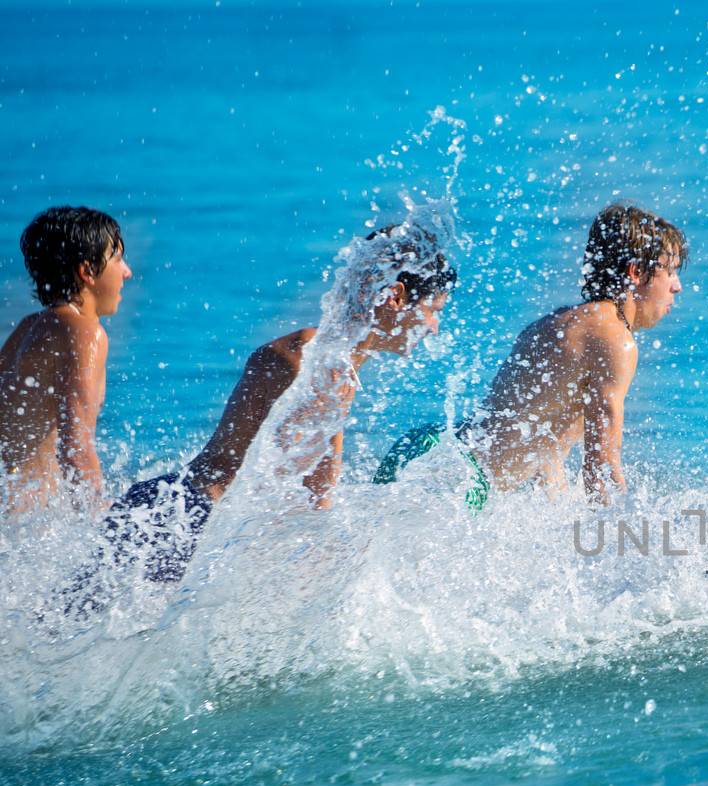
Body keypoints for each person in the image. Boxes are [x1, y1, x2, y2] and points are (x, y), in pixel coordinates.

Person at [96, 226, 454, 586]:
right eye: (432, 310)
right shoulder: (310, 359)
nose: (434, 328)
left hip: (182, 514)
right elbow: (294, 487)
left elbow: (313, 492)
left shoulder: (335, 364)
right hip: (179, 519)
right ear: (395, 296)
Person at [375, 202, 685, 506]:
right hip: (458, 481)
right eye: (670, 271)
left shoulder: (560, 322)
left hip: (428, 448)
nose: (677, 286)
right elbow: (601, 467)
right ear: (636, 272)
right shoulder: (616, 339)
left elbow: (544, 450)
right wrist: (625, 536)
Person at [1, 206, 132, 513]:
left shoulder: (27, 328)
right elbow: (76, 444)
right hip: (29, 524)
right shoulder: (86, 334)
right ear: (87, 272)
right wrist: (97, 519)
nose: (127, 271)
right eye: (117, 259)